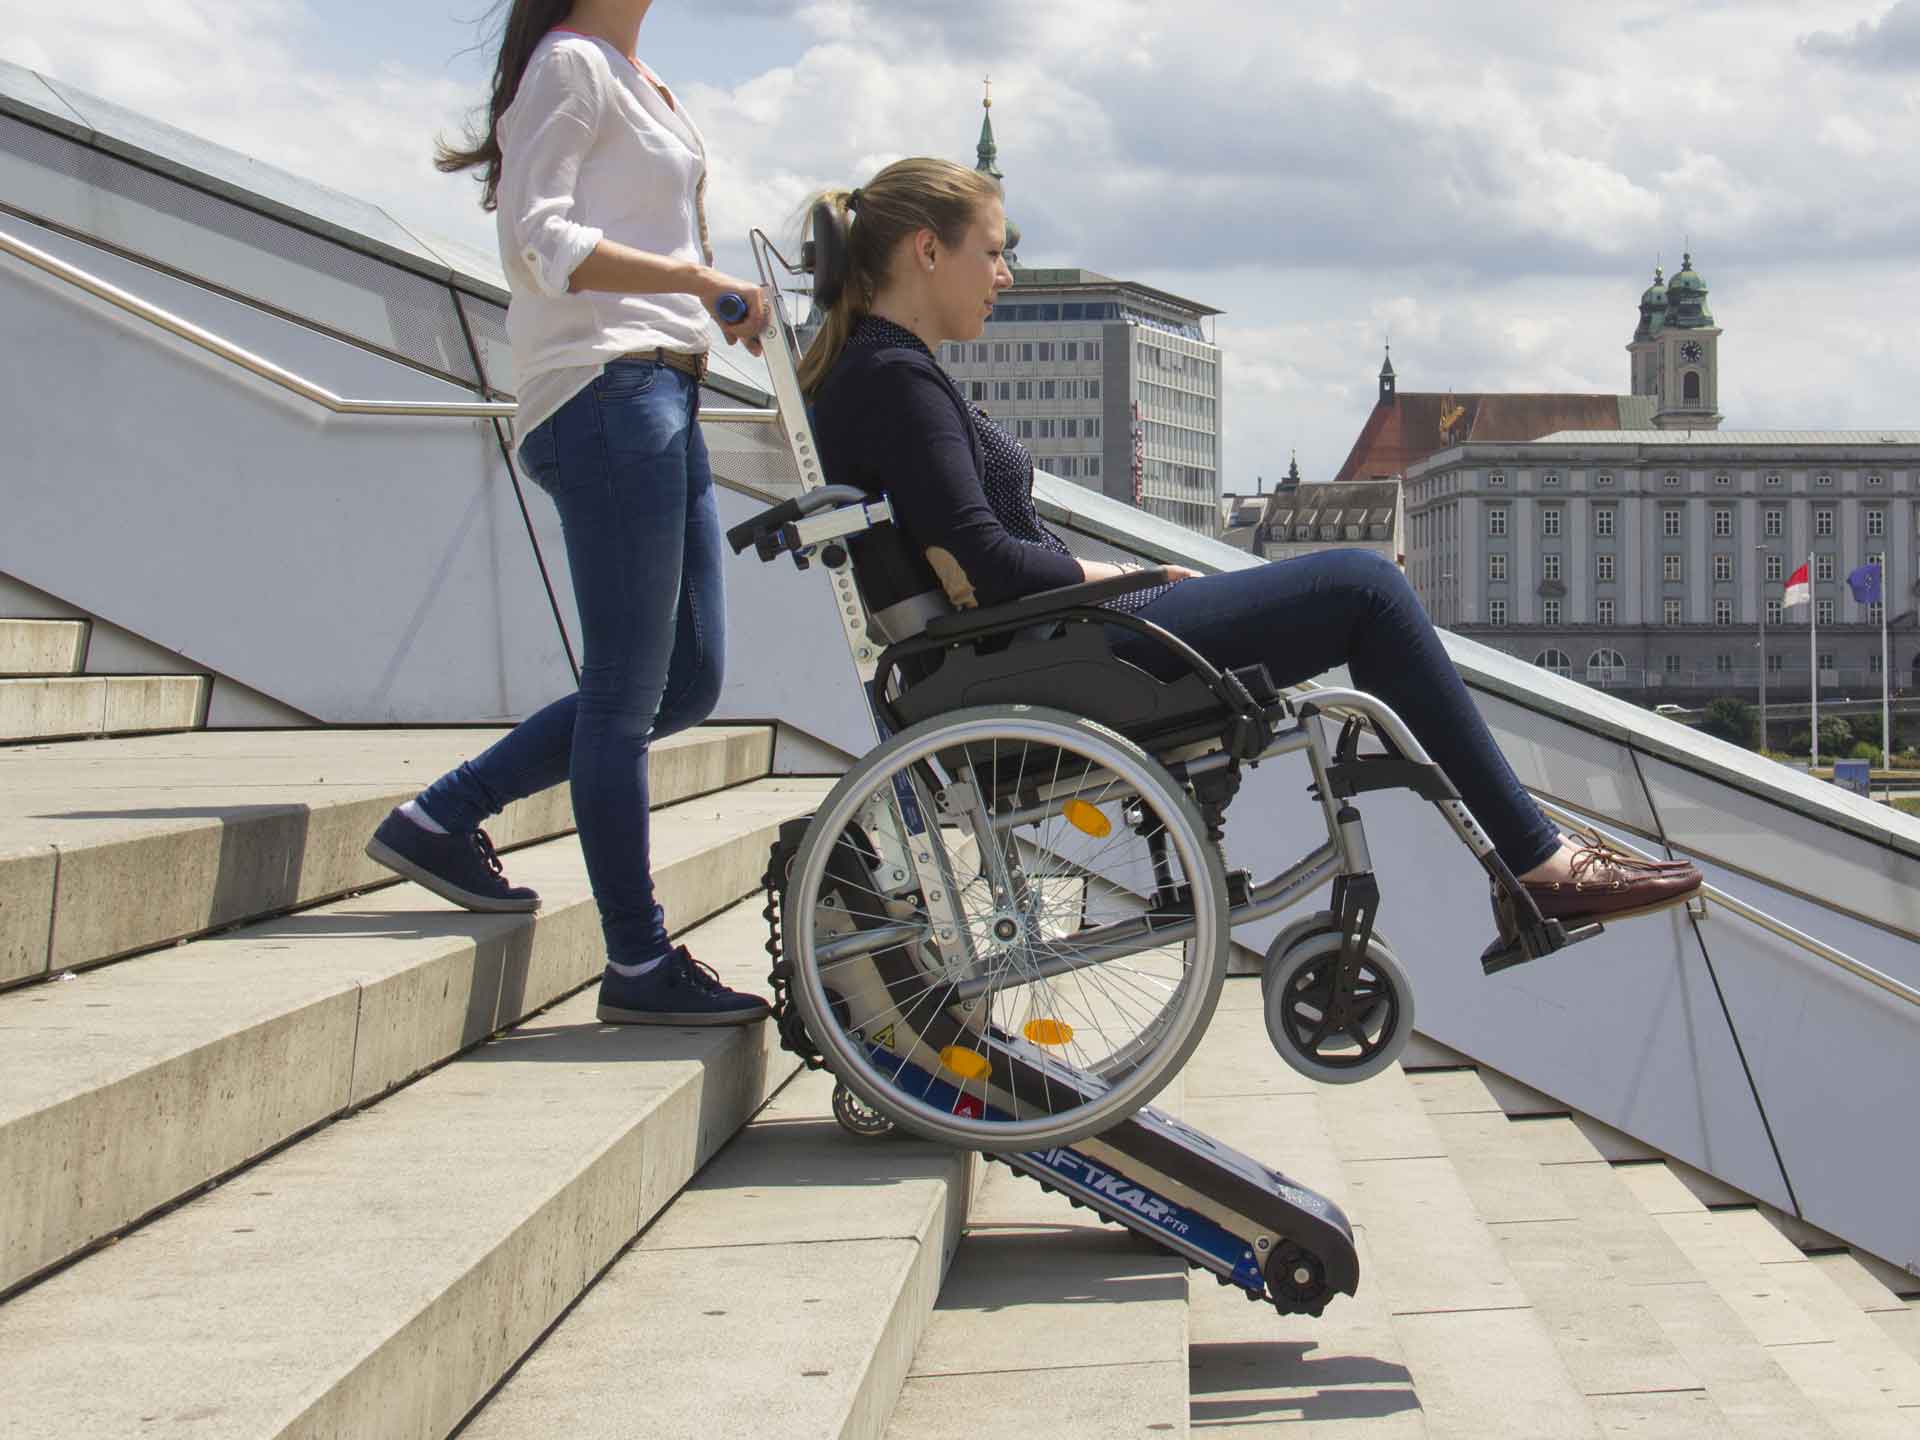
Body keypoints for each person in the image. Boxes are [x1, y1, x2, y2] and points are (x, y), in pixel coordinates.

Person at [802, 158, 1702, 933]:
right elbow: (991, 564)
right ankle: (1538, 862)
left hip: (1038, 650)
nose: (1003, 276)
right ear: (928, 250)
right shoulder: (899, 381)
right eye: (992, 252)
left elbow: (977, 558)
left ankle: (1534, 854)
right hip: (1056, 653)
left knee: (1354, 589)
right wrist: (1122, 574)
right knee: (1366, 586)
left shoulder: (882, 371)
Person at [364, 0, 772, 1025]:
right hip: (603, 389)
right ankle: (636, 962)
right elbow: (537, 238)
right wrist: (692, 280)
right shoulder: (570, 65)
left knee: (687, 677)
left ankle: (440, 816)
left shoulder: (645, 83)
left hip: (662, 382)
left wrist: (712, 309)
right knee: (629, 691)